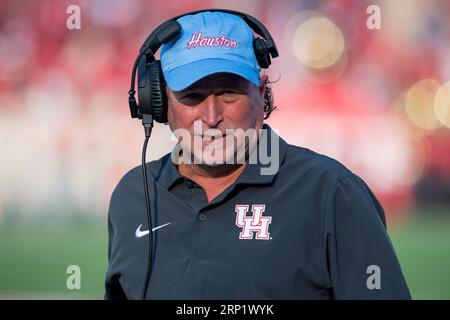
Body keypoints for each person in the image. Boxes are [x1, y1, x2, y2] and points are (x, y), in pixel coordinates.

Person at [105, 10, 411, 300]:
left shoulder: (332, 193)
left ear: (262, 94)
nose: (211, 117)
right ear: (158, 102)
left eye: (229, 93)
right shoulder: (134, 195)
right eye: (192, 97)